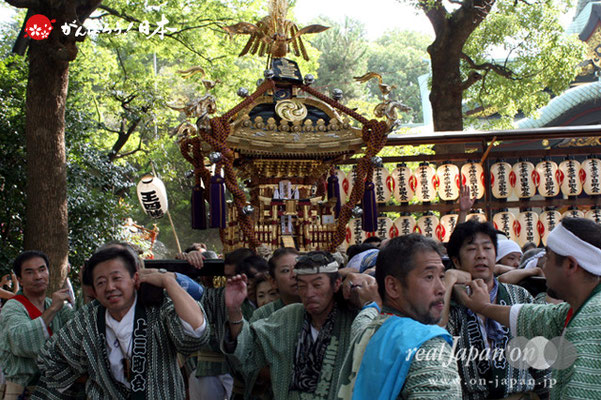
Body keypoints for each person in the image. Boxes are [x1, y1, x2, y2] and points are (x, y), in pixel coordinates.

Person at [32, 246, 209, 399]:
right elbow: (51, 358)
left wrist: (168, 281)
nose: (110, 287)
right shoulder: (89, 316)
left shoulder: (158, 306)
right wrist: (96, 376)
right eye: (101, 282)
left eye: (117, 278)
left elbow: (196, 334)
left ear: (135, 278)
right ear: (93, 289)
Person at [455, 217, 601, 400]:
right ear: (456, 260)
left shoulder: (591, 320)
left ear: (570, 265)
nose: (542, 267)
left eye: (547, 258)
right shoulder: (580, 309)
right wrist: (483, 306)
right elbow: (535, 318)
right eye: (471, 248)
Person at [337, 234, 461, 399]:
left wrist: (370, 302)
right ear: (393, 286)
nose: (442, 289)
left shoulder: (366, 330)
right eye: (429, 277)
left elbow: (365, 316)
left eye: (442, 276)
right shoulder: (428, 347)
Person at [222, 251, 359, 400]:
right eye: (302, 286)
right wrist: (235, 311)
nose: (309, 293)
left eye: (317, 285)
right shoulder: (288, 318)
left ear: (336, 284)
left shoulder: (353, 319)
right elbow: (248, 352)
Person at [441, 220, 549, 399]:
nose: (481, 255)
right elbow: (437, 344)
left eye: (487, 248)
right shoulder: (450, 304)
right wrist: (449, 279)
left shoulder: (519, 296)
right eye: (471, 249)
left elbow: (542, 359)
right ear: (456, 261)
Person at [0, 251, 74, 400]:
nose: (38, 276)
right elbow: (22, 342)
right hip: (21, 392)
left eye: (42, 269)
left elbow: (79, 334)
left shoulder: (59, 307)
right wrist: (52, 310)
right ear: (19, 279)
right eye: (29, 272)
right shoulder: (13, 308)